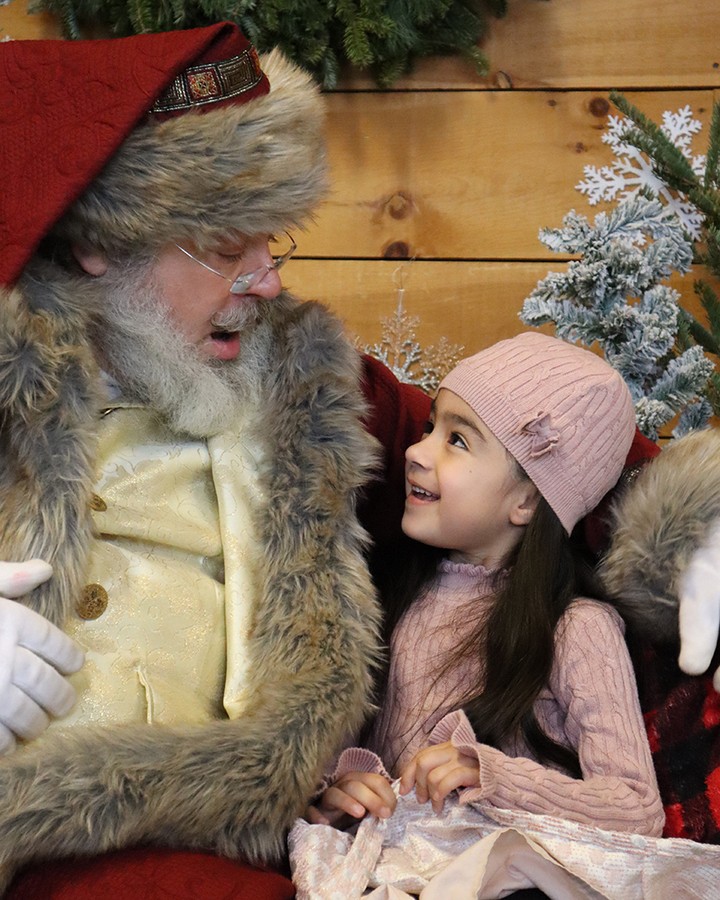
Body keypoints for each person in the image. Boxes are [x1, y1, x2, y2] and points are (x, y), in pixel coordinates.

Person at [0, 18, 716, 899]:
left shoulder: (303, 380)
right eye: (229, 248)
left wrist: (691, 517)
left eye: (274, 242)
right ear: (103, 243)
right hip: (51, 827)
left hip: (280, 832)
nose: (266, 280)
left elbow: (533, 456)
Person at [305, 333, 663, 840]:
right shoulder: (384, 599)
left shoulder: (577, 629)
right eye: (431, 427)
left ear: (528, 503)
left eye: (457, 440)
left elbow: (637, 808)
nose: (415, 450)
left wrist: (491, 775)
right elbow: (340, 765)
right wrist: (338, 794)